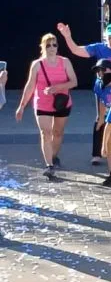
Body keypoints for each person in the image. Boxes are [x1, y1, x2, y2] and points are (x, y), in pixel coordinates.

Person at [14, 33, 77, 180]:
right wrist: (21, 106)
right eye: (48, 45)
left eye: (54, 44)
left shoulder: (65, 62)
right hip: (42, 103)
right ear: (43, 47)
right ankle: (49, 165)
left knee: (58, 132)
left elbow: (74, 82)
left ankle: (53, 156)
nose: (52, 48)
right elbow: (30, 86)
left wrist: (58, 87)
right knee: (46, 133)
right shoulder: (37, 64)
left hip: (62, 102)